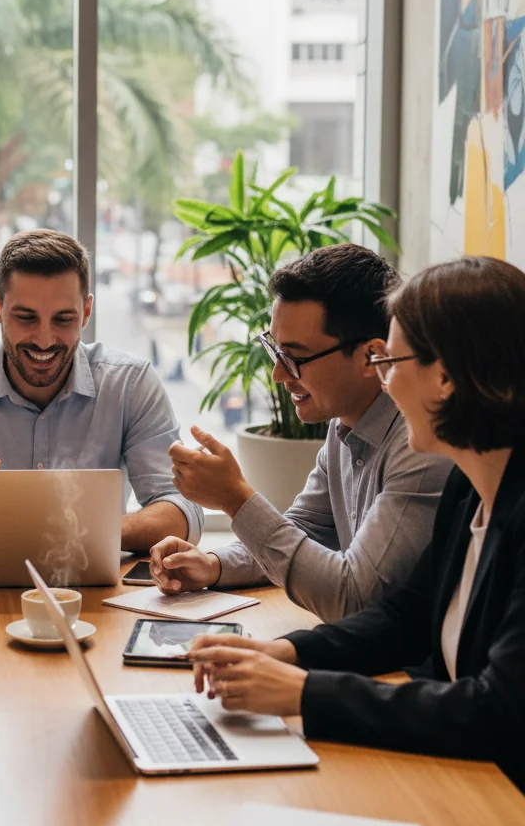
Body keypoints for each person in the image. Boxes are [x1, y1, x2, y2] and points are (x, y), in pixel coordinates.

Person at [186, 256, 525, 792]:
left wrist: (303, 692)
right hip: (462, 775)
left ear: (445, 380)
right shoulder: (470, 488)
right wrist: (291, 652)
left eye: (392, 360)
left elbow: (496, 711)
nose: (384, 382)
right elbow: (405, 616)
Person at [150, 244, 452, 621]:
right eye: (275, 350)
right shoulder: (343, 423)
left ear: (370, 357)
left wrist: (235, 498)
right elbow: (304, 531)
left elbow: (353, 598)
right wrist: (212, 564)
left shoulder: (422, 446)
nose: (279, 373)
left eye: (296, 357)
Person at [0, 229, 203, 552]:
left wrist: (77, 531)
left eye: (63, 320)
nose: (44, 340)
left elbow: (181, 510)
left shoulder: (131, 385)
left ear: (86, 312)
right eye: (26, 318)